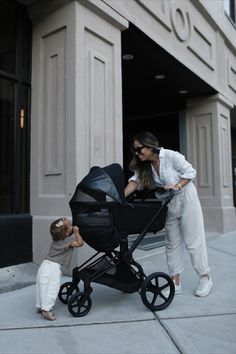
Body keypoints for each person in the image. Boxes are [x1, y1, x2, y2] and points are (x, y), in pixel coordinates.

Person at [124, 131, 213, 297]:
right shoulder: (145, 166)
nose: (137, 153)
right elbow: (134, 182)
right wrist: (120, 198)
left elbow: (190, 172)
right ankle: (175, 281)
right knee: (171, 242)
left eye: (139, 149)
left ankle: (205, 277)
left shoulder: (171, 156)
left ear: (150, 146)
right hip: (169, 202)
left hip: (186, 197)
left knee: (193, 240)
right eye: (135, 151)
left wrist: (177, 186)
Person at [35, 217, 84, 320]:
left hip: (44, 264)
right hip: (53, 267)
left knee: (42, 286)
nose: (72, 226)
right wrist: (76, 231)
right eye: (70, 225)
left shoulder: (56, 239)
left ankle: (40, 306)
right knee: (52, 288)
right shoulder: (68, 241)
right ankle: (47, 310)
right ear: (66, 233)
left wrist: (70, 230)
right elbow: (80, 243)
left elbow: (66, 234)